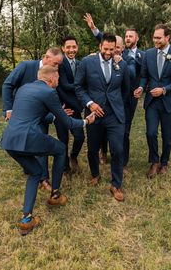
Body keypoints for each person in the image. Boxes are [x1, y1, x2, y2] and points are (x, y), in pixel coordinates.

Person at [0, 65, 95, 235]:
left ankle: (26, 219)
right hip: (29, 138)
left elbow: (32, 111)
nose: (58, 82)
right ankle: (55, 195)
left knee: (35, 173)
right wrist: (86, 121)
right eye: (57, 79)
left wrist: (56, 114)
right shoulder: (50, 92)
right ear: (51, 79)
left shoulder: (24, 88)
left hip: (9, 140)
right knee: (60, 149)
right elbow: (69, 123)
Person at [84, 13, 144, 172]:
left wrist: (121, 62)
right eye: (112, 48)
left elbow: (130, 75)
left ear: (122, 48)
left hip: (124, 102)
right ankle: (103, 153)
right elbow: (103, 43)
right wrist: (94, 29)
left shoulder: (127, 59)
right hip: (103, 103)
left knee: (123, 132)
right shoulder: (104, 54)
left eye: (118, 48)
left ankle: (122, 162)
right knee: (102, 129)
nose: (114, 51)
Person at [75, 33, 130, 201]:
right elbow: (78, 87)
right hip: (94, 114)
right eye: (105, 49)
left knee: (117, 149)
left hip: (115, 114)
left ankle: (116, 184)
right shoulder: (86, 63)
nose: (108, 52)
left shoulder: (122, 64)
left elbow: (126, 89)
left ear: (116, 49)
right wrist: (90, 103)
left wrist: (116, 103)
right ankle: (95, 174)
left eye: (112, 50)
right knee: (92, 149)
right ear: (100, 47)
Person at [2, 47, 63, 191]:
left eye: (59, 65)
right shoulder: (26, 66)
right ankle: (39, 175)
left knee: (41, 143)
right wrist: (8, 109)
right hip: (24, 114)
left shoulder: (53, 73)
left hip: (42, 114)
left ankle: (43, 178)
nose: (57, 67)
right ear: (46, 57)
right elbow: (7, 85)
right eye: (55, 63)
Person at [134, 24, 171, 178]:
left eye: (158, 38)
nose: (155, 40)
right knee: (150, 133)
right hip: (152, 102)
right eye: (154, 37)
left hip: (170, 102)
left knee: (167, 135)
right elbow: (144, 76)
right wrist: (140, 87)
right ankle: (154, 161)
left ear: (167, 38)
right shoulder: (148, 54)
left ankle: (164, 163)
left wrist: (164, 90)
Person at [56, 36, 85, 174]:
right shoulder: (59, 64)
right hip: (62, 108)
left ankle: (73, 156)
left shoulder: (81, 64)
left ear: (77, 47)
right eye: (68, 47)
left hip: (76, 108)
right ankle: (65, 166)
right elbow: (64, 86)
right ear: (63, 48)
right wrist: (81, 86)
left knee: (80, 137)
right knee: (63, 140)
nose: (71, 50)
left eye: (74, 47)